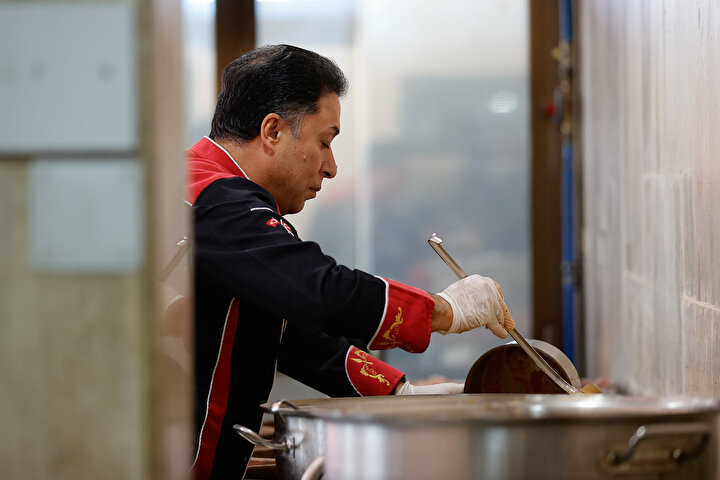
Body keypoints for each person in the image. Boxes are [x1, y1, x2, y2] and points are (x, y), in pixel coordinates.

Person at [186, 44, 515, 479]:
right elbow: (318, 292)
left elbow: (291, 332)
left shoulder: (207, 188)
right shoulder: (213, 198)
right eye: (325, 142)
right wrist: (444, 310)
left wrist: (401, 393)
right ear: (272, 132)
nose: (332, 167)